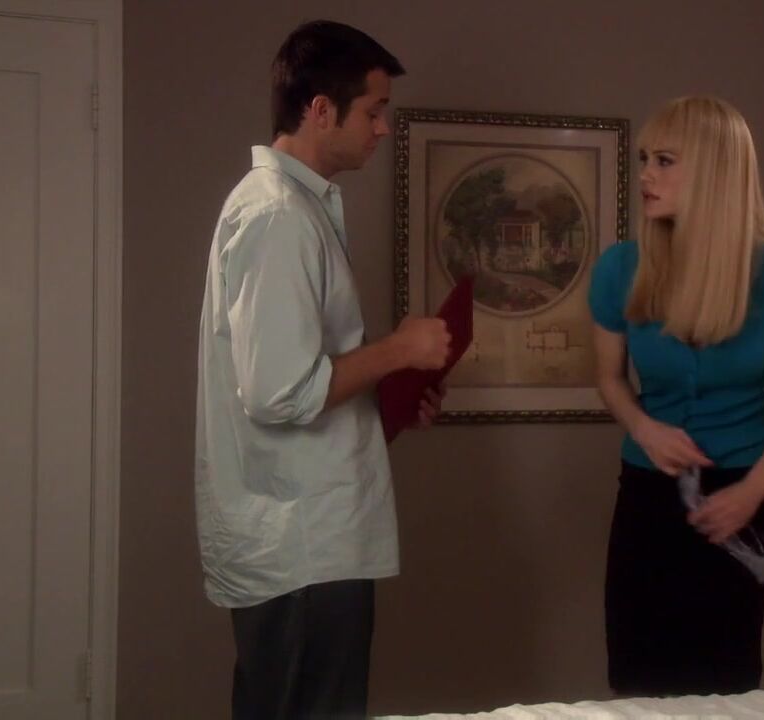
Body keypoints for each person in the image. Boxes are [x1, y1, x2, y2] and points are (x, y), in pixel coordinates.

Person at [195, 20, 450, 719]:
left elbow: (303, 372)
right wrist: (398, 350)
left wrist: (389, 395)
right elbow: (279, 393)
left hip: (310, 542)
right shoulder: (278, 216)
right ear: (319, 110)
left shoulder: (296, 208)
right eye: (373, 111)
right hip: (300, 548)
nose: (382, 128)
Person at [588, 95, 764, 697]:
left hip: (743, 492)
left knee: (726, 674)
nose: (645, 174)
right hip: (648, 491)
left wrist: (754, 490)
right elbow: (609, 379)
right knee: (637, 675)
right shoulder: (620, 268)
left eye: (664, 161)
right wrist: (644, 428)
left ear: (715, 171)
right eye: (645, 158)